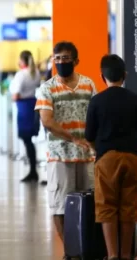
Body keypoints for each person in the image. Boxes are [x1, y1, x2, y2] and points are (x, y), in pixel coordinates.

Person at [34, 41, 96, 254]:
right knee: (60, 205)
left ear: (76, 61)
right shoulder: (47, 88)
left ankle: (88, 248)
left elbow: (96, 116)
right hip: (60, 156)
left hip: (87, 156)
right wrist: (72, 138)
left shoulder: (89, 85)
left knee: (91, 202)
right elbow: (47, 121)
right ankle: (70, 251)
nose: (60, 62)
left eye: (65, 59)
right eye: (57, 58)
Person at [85, 54, 137, 260]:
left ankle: (112, 255)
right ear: (124, 75)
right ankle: (126, 254)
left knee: (107, 206)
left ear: (101, 76)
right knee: (129, 206)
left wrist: (95, 148)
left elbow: (89, 135)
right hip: (133, 158)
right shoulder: (134, 99)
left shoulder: (97, 101)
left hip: (106, 158)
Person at [9, 50, 41, 183]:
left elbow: (15, 95)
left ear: (22, 61)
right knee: (29, 140)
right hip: (33, 105)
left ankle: (33, 170)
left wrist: (16, 96)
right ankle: (33, 169)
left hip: (23, 108)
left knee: (27, 140)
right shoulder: (36, 73)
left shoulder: (21, 75)